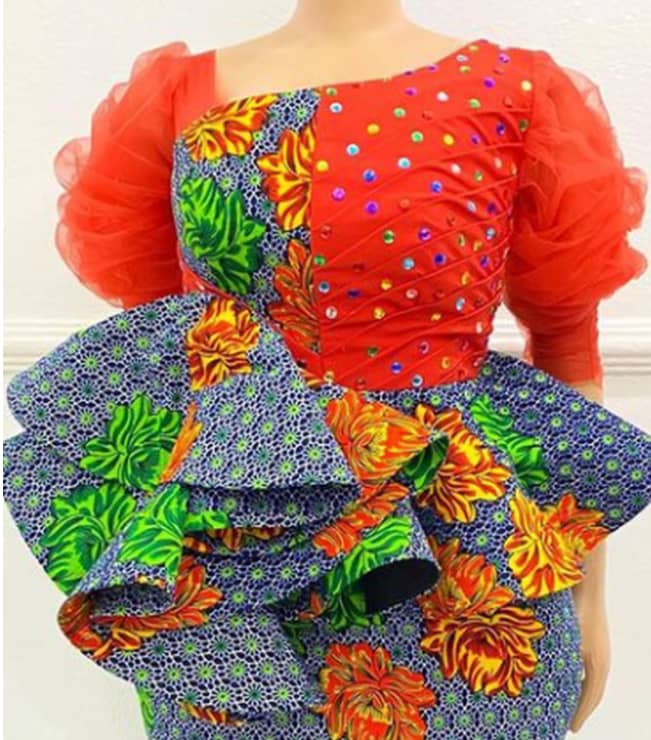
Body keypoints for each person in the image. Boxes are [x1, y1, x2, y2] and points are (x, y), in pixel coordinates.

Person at [4, 2, 651, 738]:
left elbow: (565, 343)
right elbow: (166, 345)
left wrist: (591, 600)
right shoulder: (174, 100)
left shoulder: (517, 92)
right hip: (248, 550)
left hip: (469, 565)